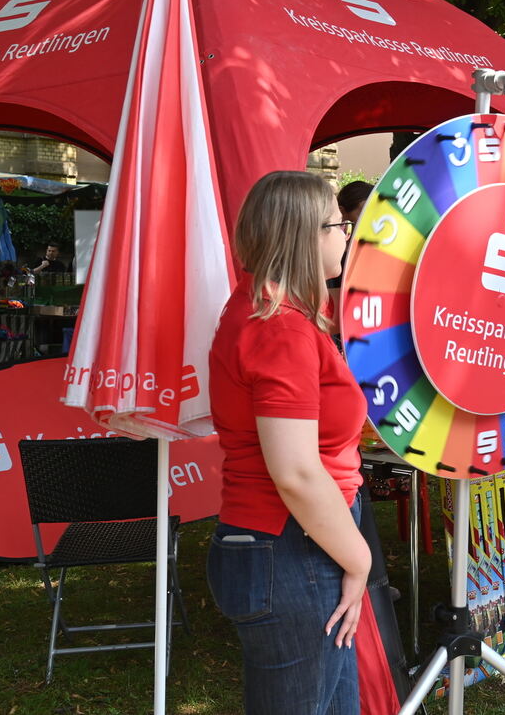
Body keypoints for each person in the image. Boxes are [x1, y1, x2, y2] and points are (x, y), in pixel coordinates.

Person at [206, 170, 367, 715]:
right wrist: (359, 558)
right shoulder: (280, 327)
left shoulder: (270, 309)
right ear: (307, 235)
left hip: (293, 545)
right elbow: (295, 472)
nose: (347, 235)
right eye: (339, 224)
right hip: (292, 547)